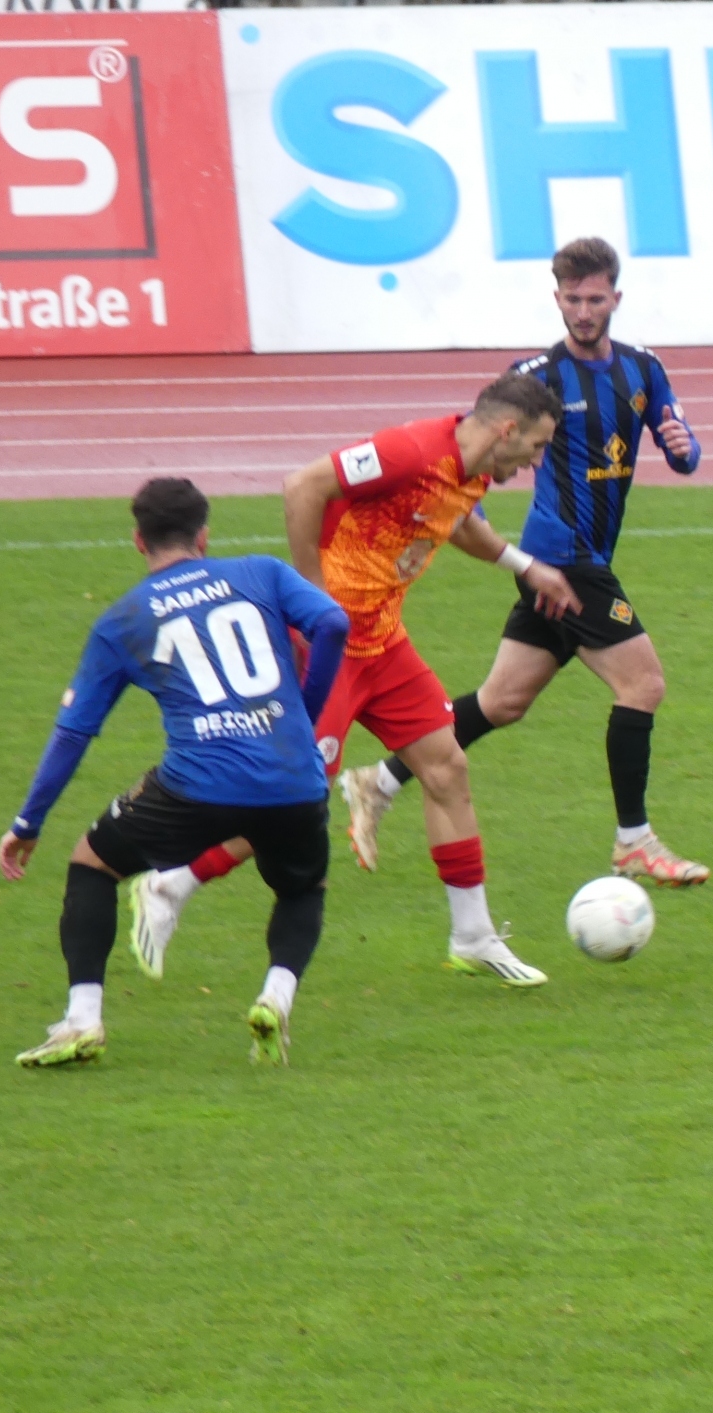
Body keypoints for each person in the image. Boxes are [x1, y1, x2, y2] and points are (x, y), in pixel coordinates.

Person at [126, 375, 577, 989]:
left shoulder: (471, 469)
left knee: (446, 768)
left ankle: (472, 937)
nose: (536, 462)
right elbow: (302, 485)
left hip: (383, 644)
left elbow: (457, 520)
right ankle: (169, 884)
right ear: (508, 431)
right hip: (326, 651)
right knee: (292, 800)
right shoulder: (408, 451)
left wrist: (524, 566)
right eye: (537, 446)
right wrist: (311, 600)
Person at [350, 237, 711, 888]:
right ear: (557, 298)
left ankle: (379, 780)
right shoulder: (536, 376)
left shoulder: (644, 368)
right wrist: (478, 525)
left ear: (615, 298)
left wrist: (685, 448)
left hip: (572, 560)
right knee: (643, 685)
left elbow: (682, 450)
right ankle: (634, 841)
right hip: (564, 560)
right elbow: (475, 450)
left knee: (502, 701)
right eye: (572, 299)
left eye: (594, 299)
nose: (583, 311)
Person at [0, 477, 350, 1067]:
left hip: (196, 789)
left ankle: (83, 1019)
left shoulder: (123, 620)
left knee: (92, 864)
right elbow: (333, 624)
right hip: (293, 777)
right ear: (204, 536)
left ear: (139, 541)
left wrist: (28, 822)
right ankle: (275, 998)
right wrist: (304, 716)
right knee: (301, 888)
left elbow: (75, 731)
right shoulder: (261, 572)